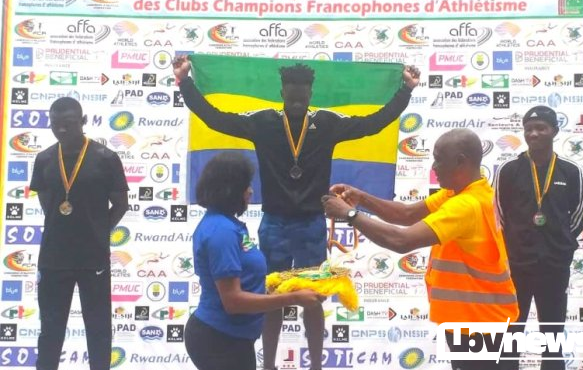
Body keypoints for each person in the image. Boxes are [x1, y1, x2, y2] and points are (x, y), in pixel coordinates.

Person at [174, 55, 421, 370]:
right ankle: (268, 366)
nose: (296, 102)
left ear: (310, 94)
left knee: (313, 298)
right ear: (282, 92)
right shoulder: (263, 122)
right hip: (273, 224)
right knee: (270, 297)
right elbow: (215, 119)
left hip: (311, 224)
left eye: (301, 97)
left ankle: (316, 365)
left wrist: (405, 91)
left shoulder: (327, 124)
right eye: (291, 96)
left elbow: (373, 124)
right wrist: (185, 82)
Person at [322, 128, 519, 370]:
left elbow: (402, 240)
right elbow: (406, 214)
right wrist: (362, 198)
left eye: (439, 159)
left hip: (481, 327)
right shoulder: (466, 193)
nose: (433, 167)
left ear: (460, 161)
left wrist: (350, 215)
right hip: (477, 320)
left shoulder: (465, 206)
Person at [185, 152, 324, 370]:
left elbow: (250, 281)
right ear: (229, 190)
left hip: (234, 338)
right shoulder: (221, 232)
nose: (251, 191)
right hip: (219, 341)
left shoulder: (228, 225)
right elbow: (233, 301)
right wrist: (294, 298)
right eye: (245, 186)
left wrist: (295, 282)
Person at [29, 97, 129, 370]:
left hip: (93, 257)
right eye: (55, 124)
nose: (61, 130)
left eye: (69, 123)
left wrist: (99, 230)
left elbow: (121, 204)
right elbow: (48, 204)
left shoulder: (106, 158)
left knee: (98, 330)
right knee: (50, 330)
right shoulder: (44, 159)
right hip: (53, 258)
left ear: (83, 122)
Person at [493, 106, 583, 370]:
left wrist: (560, 244)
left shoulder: (570, 171)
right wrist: (515, 245)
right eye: (528, 129)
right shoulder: (509, 170)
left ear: (554, 131)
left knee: (553, 337)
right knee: (511, 336)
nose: (533, 134)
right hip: (516, 267)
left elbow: (580, 214)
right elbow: (498, 214)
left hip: (554, 267)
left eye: (541, 128)